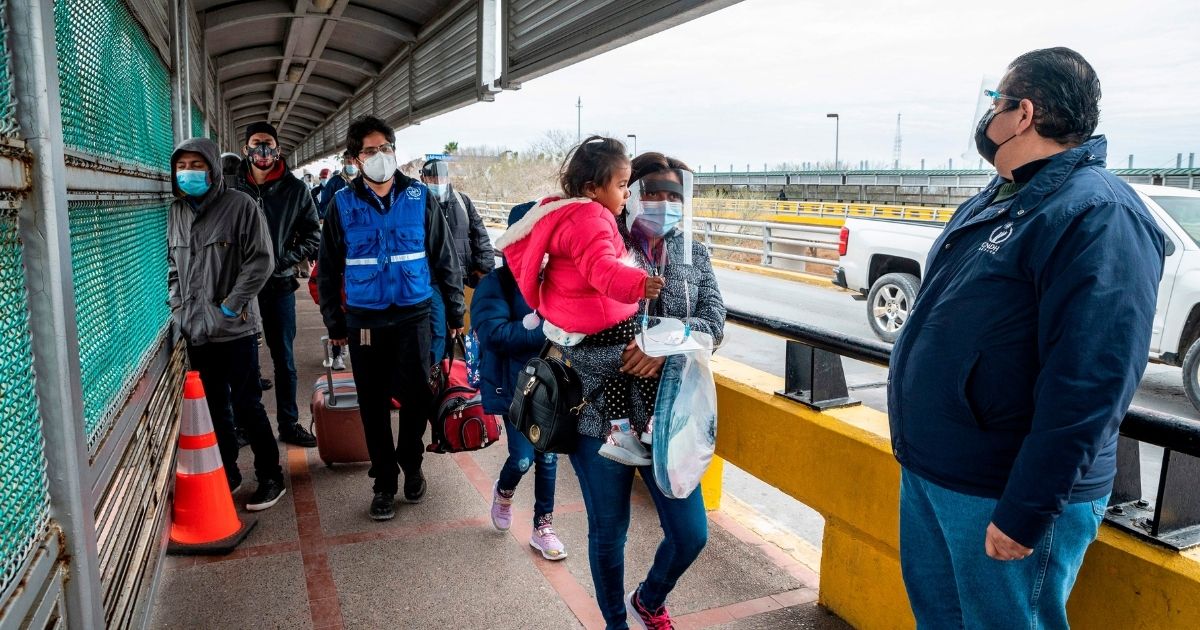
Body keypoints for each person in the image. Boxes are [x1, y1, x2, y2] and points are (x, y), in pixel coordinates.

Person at [888, 47, 1165, 629]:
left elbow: (1091, 380)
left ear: (1023, 114)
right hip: (938, 471)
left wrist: (1027, 509)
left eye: (996, 103)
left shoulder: (1097, 213)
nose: (986, 118)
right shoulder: (998, 196)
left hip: (1001, 490)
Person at [586, 152, 727, 629]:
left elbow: (715, 322)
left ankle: (648, 598)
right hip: (605, 416)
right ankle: (614, 622)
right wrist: (640, 347)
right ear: (631, 193)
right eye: (653, 193)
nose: (663, 203)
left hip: (671, 420)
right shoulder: (605, 245)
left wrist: (664, 346)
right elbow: (580, 328)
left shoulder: (696, 253)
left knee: (690, 534)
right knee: (610, 532)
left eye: (673, 196)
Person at [316, 115, 464, 521]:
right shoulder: (341, 204)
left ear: (394, 151)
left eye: (385, 148)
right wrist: (334, 323)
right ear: (355, 158)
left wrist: (455, 309)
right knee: (373, 403)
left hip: (414, 315)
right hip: (365, 320)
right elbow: (327, 269)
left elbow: (444, 256)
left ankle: (411, 464)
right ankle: (384, 481)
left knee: (417, 396)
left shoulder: (419, 197)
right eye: (369, 150)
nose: (379, 156)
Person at [495, 136, 664, 469]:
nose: (627, 194)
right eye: (621, 185)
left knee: (617, 375)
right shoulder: (591, 220)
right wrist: (638, 284)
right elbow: (601, 269)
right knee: (647, 355)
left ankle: (619, 432)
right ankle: (655, 423)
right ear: (592, 188)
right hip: (604, 317)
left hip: (578, 321)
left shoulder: (564, 213)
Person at [167, 137, 286, 511]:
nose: (188, 173)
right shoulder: (176, 212)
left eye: (196, 165)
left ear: (213, 168)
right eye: (182, 166)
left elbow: (261, 261)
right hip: (196, 330)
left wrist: (232, 307)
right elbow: (174, 265)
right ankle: (228, 471)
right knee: (216, 406)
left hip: (236, 329)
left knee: (248, 404)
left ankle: (270, 476)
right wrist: (179, 308)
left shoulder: (240, 206)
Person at [473, 201, 565, 561]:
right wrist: (547, 327)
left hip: (555, 388)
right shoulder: (495, 285)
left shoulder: (560, 281)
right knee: (523, 459)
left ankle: (544, 527)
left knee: (550, 458)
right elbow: (495, 334)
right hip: (515, 388)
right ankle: (504, 491)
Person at [234, 121, 321, 448]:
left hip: (279, 287)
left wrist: (282, 260)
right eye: (257, 144)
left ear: (279, 150)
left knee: (283, 359)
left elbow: (314, 235)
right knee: (244, 361)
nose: (263, 151)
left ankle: (289, 423)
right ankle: (245, 425)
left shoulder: (295, 190)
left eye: (269, 145)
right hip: (241, 288)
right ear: (246, 149)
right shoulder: (232, 187)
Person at [420, 158, 495, 365]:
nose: (438, 180)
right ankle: (435, 373)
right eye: (432, 176)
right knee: (438, 329)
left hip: (461, 277)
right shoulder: (419, 203)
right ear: (423, 178)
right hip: (431, 279)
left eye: (442, 175)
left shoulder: (462, 201)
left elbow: (480, 234)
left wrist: (484, 267)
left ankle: (460, 372)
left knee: (463, 327)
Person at [318, 151, 357, 220]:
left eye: (353, 158)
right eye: (347, 158)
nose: (350, 161)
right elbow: (323, 206)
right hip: (339, 222)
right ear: (343, 162)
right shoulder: (334, 181)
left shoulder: (365, 180)